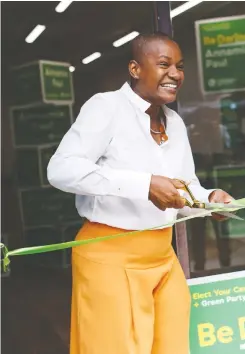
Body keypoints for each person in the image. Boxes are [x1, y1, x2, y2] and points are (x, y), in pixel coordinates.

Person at [47, 32, 233, 354]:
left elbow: (183, 188)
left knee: (171, 347)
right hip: (110, 258)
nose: (175, 74)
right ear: (135, 69)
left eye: (179, 66)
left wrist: (208, 200)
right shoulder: (106, 108)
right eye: (164, 64)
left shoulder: (174, 122)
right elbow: (60, 169)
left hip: (163, 259)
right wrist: (144, 185)